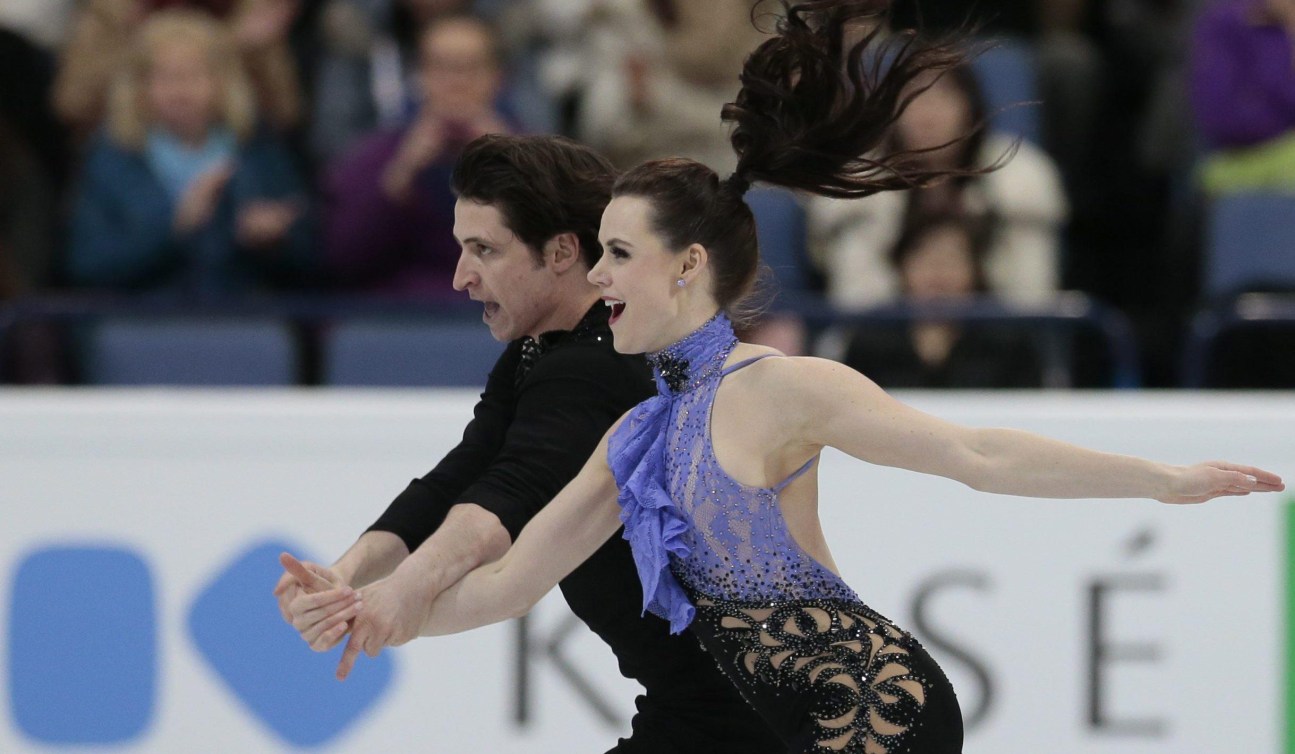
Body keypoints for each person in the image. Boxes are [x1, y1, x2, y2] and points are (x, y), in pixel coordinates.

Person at [283, 3, 1285, 752]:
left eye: (616, 257)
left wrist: (1158, 479)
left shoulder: (780, 387)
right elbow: (506, 581)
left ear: (684, 268)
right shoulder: (630, 436)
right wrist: (381, 614)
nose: (595, 278)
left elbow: (976, 454)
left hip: (866, 719)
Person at [277, 133, 785, 753]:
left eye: (484, 250)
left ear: (563, 252)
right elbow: (460, 477)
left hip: (752, 721)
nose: (461, 276)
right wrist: (346, 571)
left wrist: (395, 596)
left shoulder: (594, 364)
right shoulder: (545, 350)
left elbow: (507, 500)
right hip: (719, 711)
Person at [63, 9, 313, 297]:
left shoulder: (259, 149)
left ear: (224, 82)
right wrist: (175, 229)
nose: (180, 91)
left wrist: (277, 240)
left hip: (244, 316)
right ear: (138, 87)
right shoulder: (110, 158)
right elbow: (86, 266)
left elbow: (313, 254)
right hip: (143, 319)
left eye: (194, 75)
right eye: (165, 76)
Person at [321, 13, 514, 298]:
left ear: (497, 77)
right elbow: (342, 259)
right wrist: (400, 176)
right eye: (443, 68)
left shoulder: (537, 158)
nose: (457, 82)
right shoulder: (374, 157)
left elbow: (567, 259)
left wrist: (513, 166)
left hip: (509, 315)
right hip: (404, 318)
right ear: (420, 75)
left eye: (471, 68)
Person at [842, 212, 1044, 388]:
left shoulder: (1008, 340)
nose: (938, 275)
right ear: (902, 266)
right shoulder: (871, 338)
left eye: (951, 259)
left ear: (975, 269)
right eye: (926, 259)